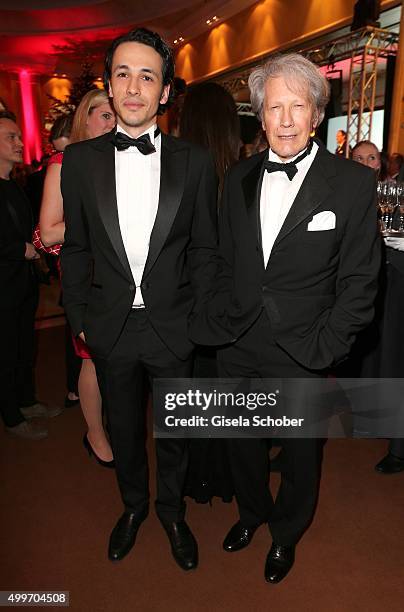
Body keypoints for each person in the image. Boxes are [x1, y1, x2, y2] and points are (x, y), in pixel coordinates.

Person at [190, 53, 380, 583]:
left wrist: (327, 344)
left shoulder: (349, 184)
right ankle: (252, 513)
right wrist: (219, 317)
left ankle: (286, 533)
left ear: (317, 114)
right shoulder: (242, 177)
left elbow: (361, 282)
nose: (287, 119)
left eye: (298, 106)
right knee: (242, 443)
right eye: (275, 108)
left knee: (299, 455)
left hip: (304, 347)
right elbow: (225, 260)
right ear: (261, 115)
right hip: (238, 339)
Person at [60, 28, 217, 570]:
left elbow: (204, 249)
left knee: (176, 432)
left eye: (147, 75)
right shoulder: (79, 163)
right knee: (124, 430)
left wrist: (197, 318)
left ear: (165, 92)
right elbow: (75, 248)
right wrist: (79, 316)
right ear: (109, 83)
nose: (133, 87)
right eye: (123, 74)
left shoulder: (194, 163)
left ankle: (172, 512)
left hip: (175, 327)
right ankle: (133, 507)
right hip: (110, 327)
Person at [40, 90, 116, 466]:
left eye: (115, 115)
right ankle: (95, 433)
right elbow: (49, 232)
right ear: (85, 120)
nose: (112, 122)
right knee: (92, 359)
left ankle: (114, 426)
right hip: (86, 279)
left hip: (123, 278)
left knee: (119, 358)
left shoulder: (123, 162)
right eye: (104, 115)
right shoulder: (65, 162)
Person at [179, 81, 240, 504]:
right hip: (229, 302)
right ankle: (222, 476)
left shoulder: (176, 172)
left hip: (186, 297)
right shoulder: (241, 177)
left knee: (193, 393)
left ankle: (194, 476)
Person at [0, 111, 61, 439]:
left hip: (22, 283)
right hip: (3, 286)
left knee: (25, 346)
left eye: (19, 136)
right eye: (11, 137)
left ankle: (26, 400)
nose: (21, 143)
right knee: (6, 351)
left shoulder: (14, 185)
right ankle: (11, 415)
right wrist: (20, 249)